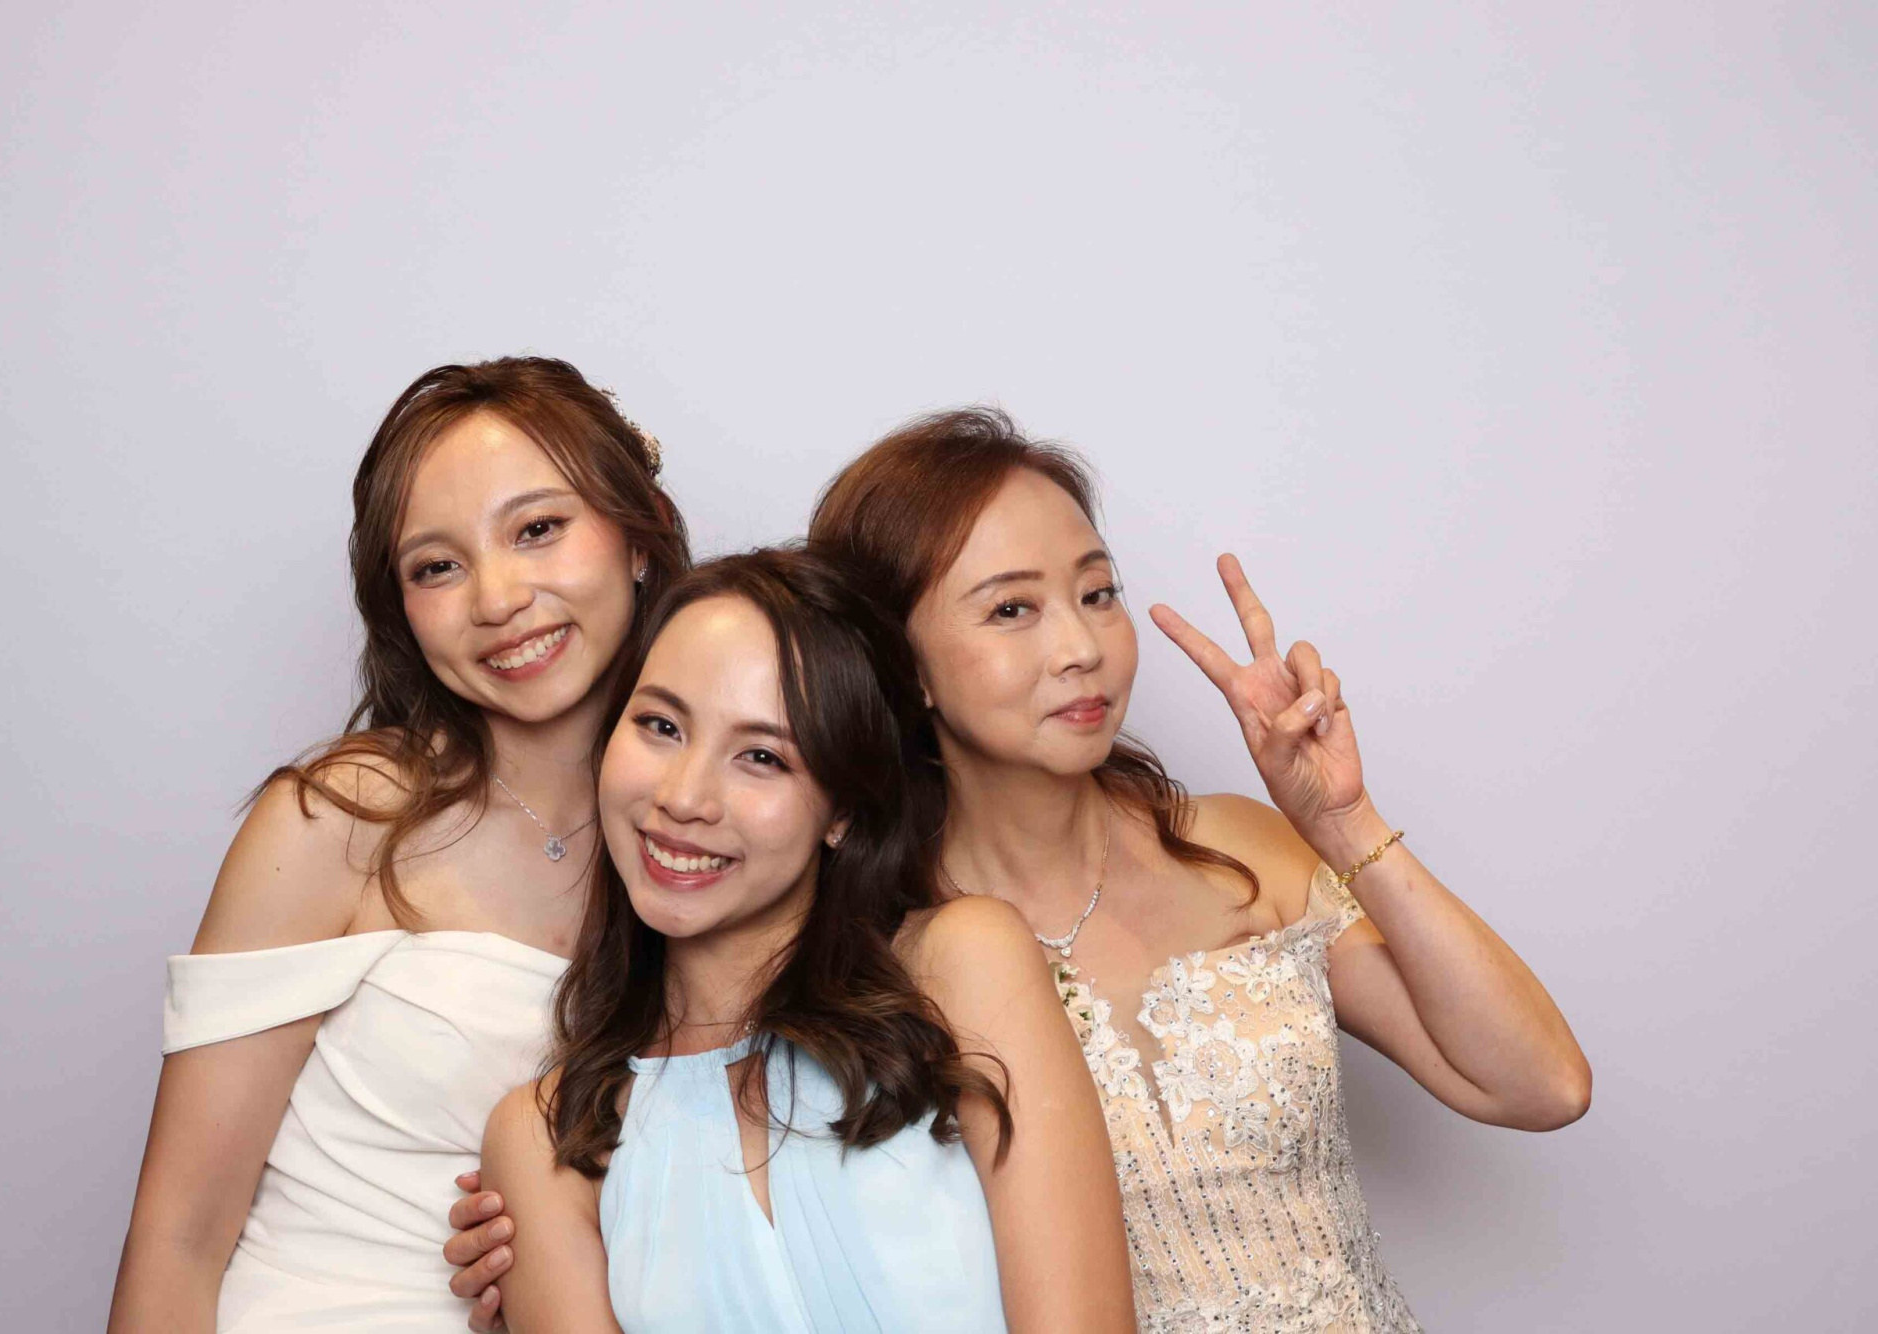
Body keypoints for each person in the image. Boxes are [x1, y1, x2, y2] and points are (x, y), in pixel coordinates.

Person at [450, 409, 1591, 1333]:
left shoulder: (1233, 847)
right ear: (904, 669)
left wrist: (1342, 823)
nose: (1079, 645)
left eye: (1095, 592)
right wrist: (549, 1252)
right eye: (1011, 608)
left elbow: (1535, 1085)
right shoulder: (887, 942)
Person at [108, 357, 689, 1332]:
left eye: (537, 529)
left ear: (637, 536)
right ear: (402, 611)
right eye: (437, 565)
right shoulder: (341, 816)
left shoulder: (718, 841)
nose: (498, 596)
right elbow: (179, 1232)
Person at [478, 547, 1136, 1333]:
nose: (683, 798)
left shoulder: (960, 966)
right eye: (659, 725)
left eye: (761, 757)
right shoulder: (546, 1137)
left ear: (843, 812)